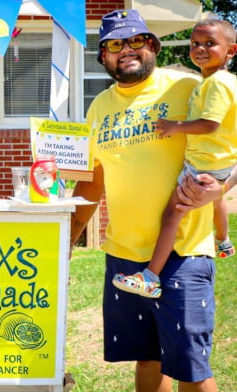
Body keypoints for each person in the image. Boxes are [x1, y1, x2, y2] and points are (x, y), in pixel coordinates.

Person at [71, 10, 224, 392]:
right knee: (147, 359)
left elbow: (229, 141)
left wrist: (222, 188)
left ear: (152, 45)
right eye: (115, 44)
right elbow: (92, 182)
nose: (126, 50)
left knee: (190, 368)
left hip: (184, 252)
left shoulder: (187, 88)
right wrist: (67, 238)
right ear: (103, 56)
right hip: (125, 253)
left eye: (135, 40)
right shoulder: (98, 108)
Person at [112, 18, 237, 299]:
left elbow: (210, 124)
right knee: (215, 200)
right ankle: (223, 240)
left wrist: (175, 126)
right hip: (216, 162)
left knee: (172, 215)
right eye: (195, 43)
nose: (200, 48)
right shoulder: (215, 81)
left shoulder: (218, 83)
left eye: (209, 43)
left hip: (204, 164)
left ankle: (150, 277)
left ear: (231, 51)